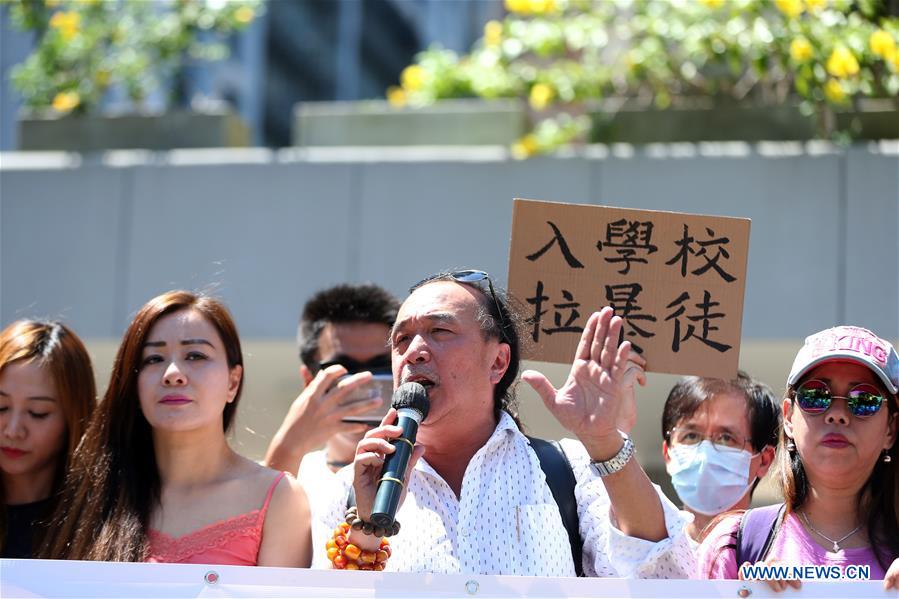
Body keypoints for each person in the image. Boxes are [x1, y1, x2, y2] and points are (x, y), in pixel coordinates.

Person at [313, 269, 693, 577]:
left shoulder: (570, 470)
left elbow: (663, 574)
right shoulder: (350, 489)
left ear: (498, 362)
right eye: (401, 340)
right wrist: (366, 529)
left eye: (439, 331)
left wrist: (603, 439)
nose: (414, 352)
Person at [42, 291, 311, 566]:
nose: (172, 374)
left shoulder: (279, 498)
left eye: (195, 355)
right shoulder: (94, 493)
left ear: (233, 382)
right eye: (153, 359)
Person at [697, 325, 899, 591]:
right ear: (789, 418)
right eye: (816, 395)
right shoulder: (733, 546)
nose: (837, 414)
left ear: (891, 430)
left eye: (864, 399)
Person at [265, 283, 400, 483]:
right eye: (344, 370)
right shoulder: (292, 476)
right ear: (310, 380)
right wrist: (289, 446)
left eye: (381, 368)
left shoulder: (438, 473)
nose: (363, 384)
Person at [0, 320, 96, 558]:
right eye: (1, 407)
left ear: (74, 418)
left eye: (37, 412)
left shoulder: (101, 519)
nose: (13, 430)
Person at [661, 372, 780, 545]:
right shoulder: (643, 548)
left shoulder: (780, 557)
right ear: (668, 454)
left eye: (725, 438)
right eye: (691, 436)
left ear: (764, 461)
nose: (705, 455)